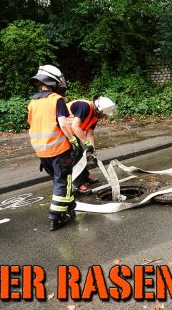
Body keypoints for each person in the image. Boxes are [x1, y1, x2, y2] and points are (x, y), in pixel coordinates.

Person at [28, 65, 78, 231]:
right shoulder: (57, 100)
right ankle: (54, 218)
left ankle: (70, 206)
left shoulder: (33, 102)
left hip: (42, 151)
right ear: (54, 82)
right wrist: (73, 140)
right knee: (63, 181)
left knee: (59, 181)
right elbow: (63, 124)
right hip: (59, 149)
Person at [67, 95, 117, 194]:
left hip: (73, 132)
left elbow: (90, 134)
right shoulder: (84, 106)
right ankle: (78, 184)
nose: (104, 116)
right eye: (103, 114)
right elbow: (75, 127)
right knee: (76, 155)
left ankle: (85, 177)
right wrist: (86, 143)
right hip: (63, 131)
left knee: (83, 154)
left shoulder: (95, 116)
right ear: (98, 109)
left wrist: (92, 150)